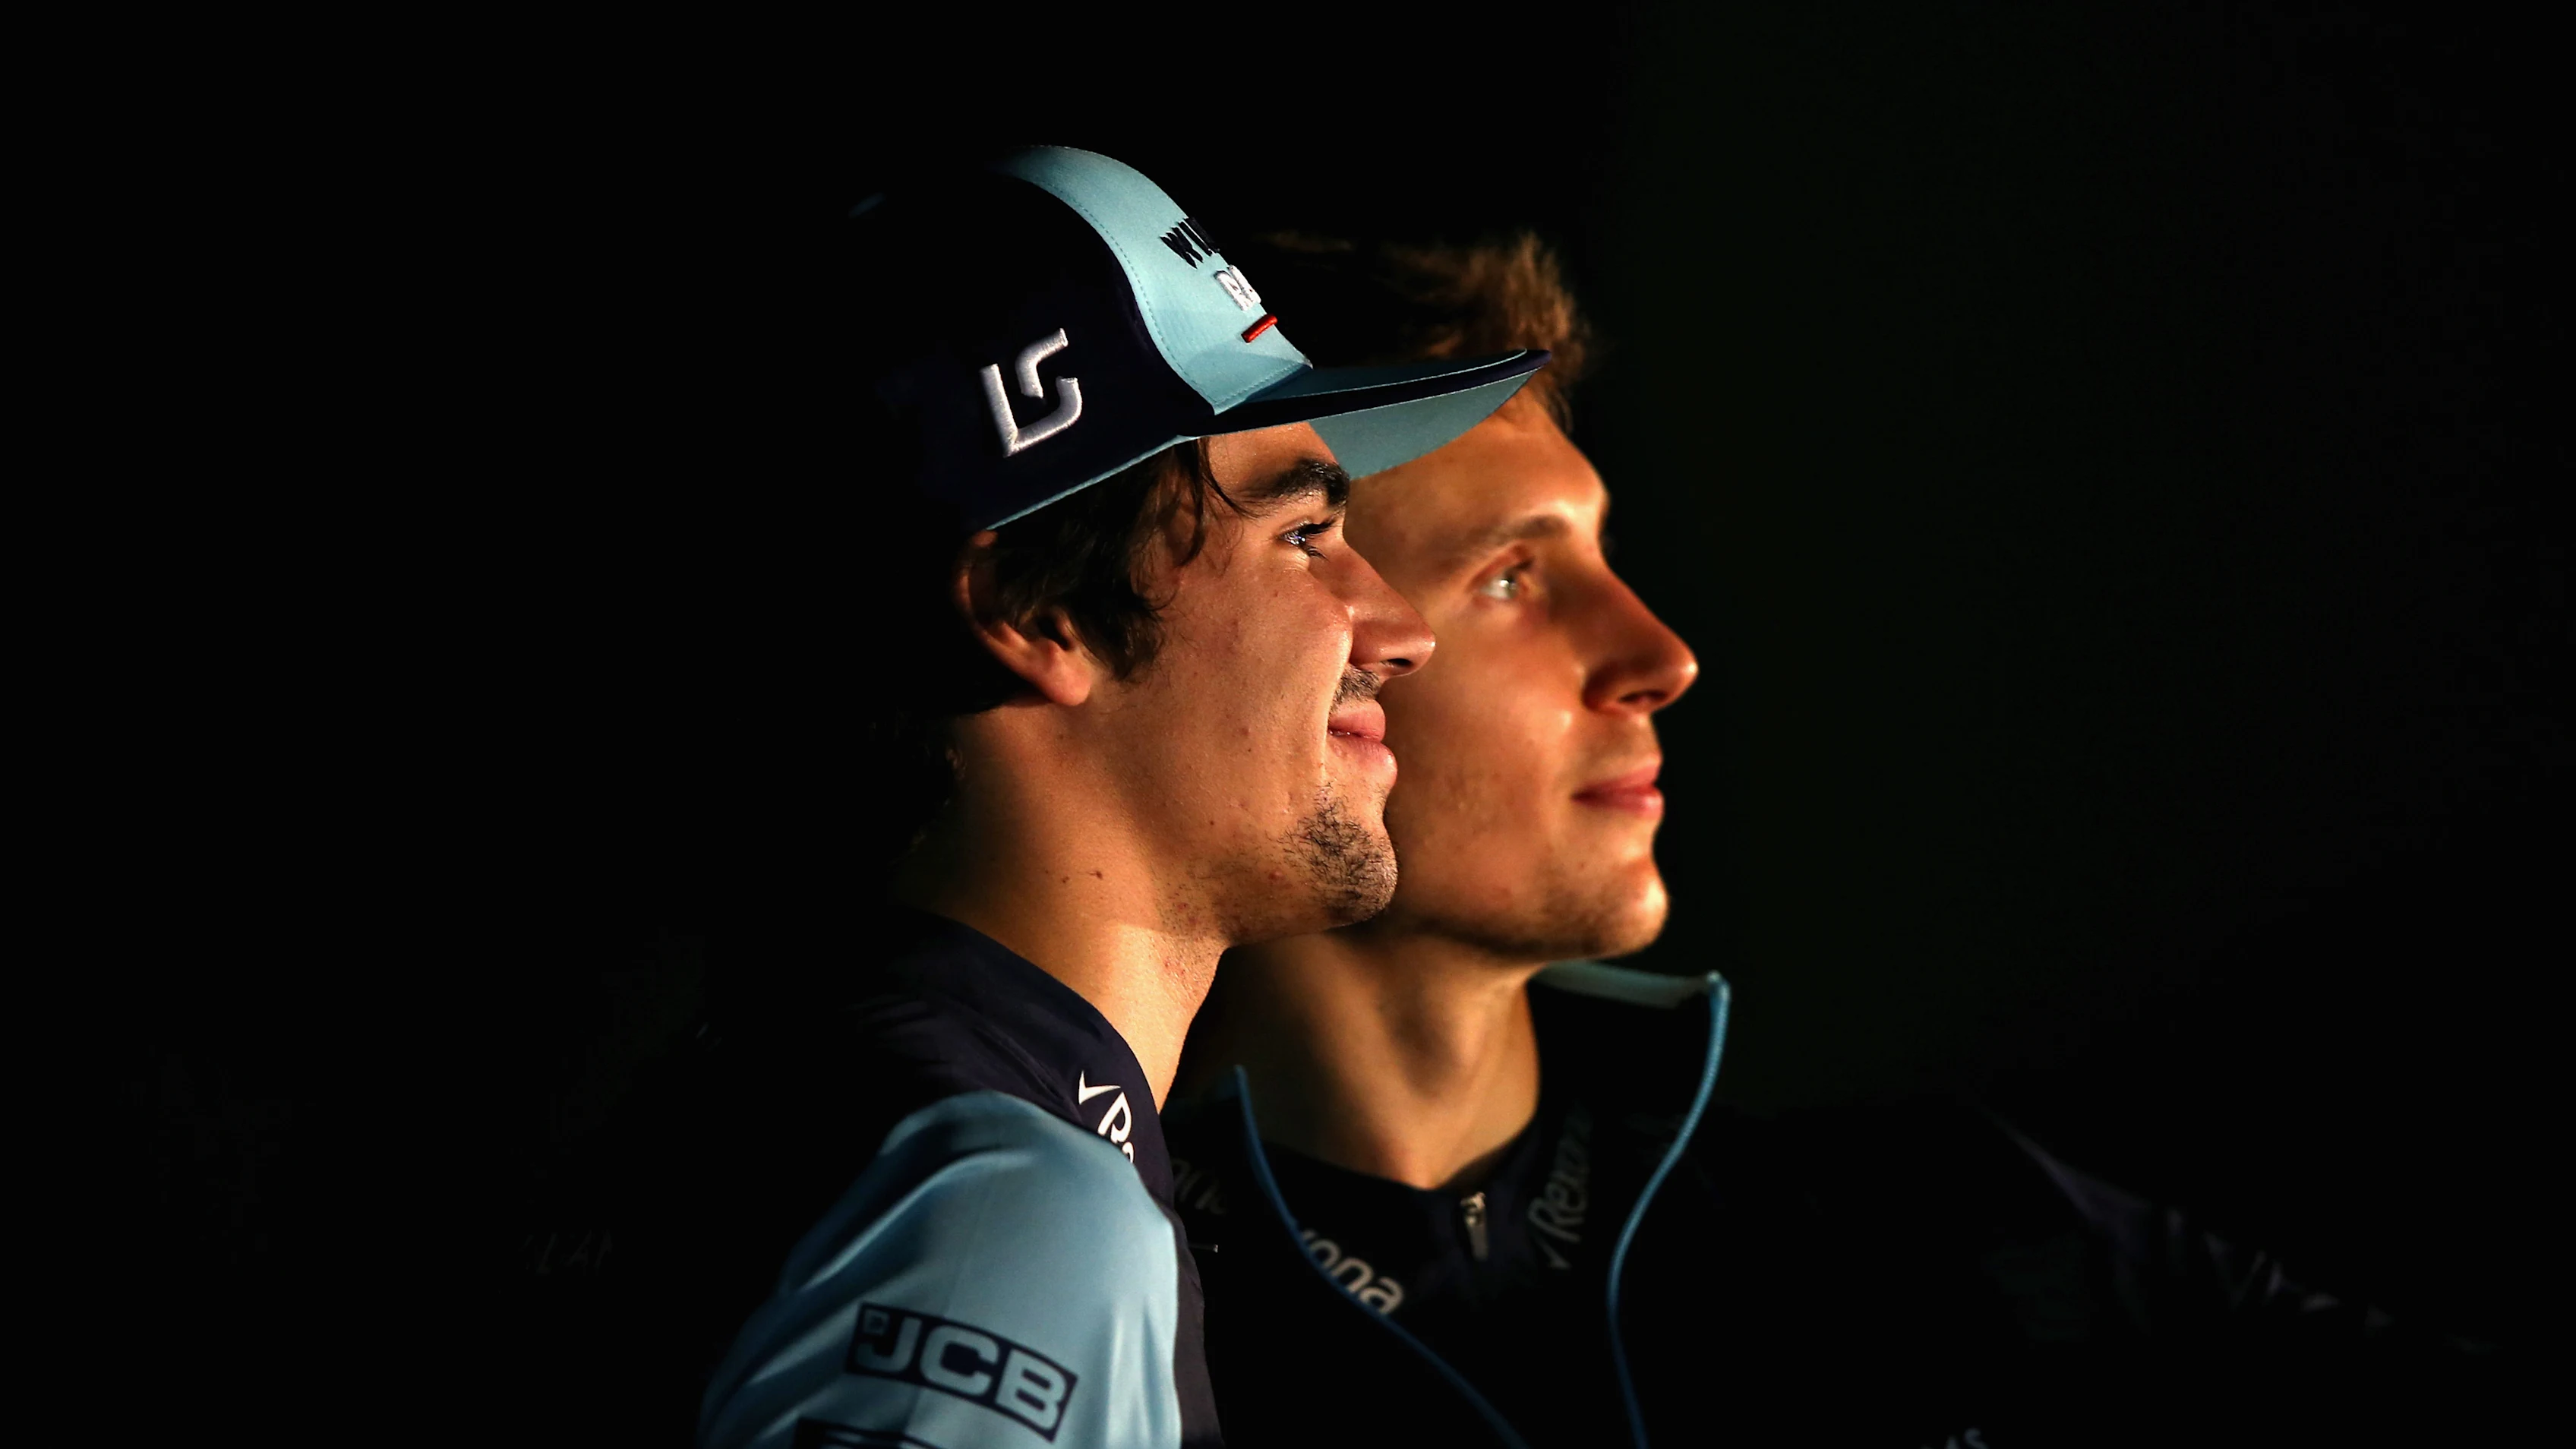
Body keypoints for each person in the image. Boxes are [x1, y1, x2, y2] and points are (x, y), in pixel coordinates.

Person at [1166, 235, 2477, 1447]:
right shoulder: (1074, 1304)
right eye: (1511, 577)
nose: (1660, 657)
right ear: (1296, 642)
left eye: (1603, 555)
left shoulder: (1941, 1225)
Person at [513, 150, 1548, 1449]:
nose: (1397, 629)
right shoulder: (1005, 1207)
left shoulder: (773, 1103)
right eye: (1304, 536)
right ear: (1034, 610)